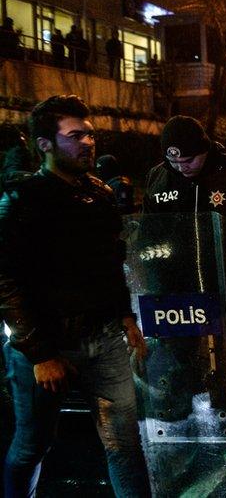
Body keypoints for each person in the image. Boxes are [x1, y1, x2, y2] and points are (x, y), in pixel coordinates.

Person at [0, 95, 150, 497]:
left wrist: (126, 316)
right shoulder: (22, 199)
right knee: (32, 445)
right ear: (45, 144)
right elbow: (7, 280)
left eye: (90, 134)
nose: (88, 142)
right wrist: (40, 353)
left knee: (124, 445)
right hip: (48, 344)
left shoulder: (99, 195)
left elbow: (109, 264)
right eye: (75, 135)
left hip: (104, 340)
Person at [143, 115, 226, 230]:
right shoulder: (157, 178)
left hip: (225, 251)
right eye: (173, 161)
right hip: (175, 252)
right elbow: (148, 229)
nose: (181, 167)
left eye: (189, 160)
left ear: (205, 150)